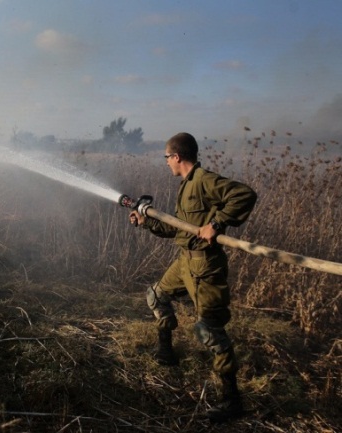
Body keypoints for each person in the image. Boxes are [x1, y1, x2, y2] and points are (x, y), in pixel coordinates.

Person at [129, 132, 257, 422]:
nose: (166, 163)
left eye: (166, 157)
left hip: (205, 267)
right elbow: (178, 229)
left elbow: (245, 194)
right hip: (185, 262)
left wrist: (216, 223)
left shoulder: (203, 180)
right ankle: (166, 353)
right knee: (156, 295)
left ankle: (232, 401)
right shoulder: (186, 186)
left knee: (209, 330)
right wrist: (145, 222)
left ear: (176, 157)